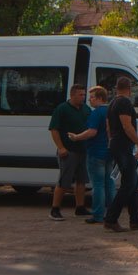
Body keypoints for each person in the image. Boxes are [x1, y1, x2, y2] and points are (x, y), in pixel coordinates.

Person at [103, 76, 138, 232]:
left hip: (117, 144)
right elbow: (127, 126)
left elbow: (108, 127)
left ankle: (135, 219)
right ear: (129, 89)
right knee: (129, 183)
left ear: (117, 87)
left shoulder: (112, 103)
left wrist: (111, 141)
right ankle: (111, 218)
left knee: (132, 181)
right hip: (123, 145)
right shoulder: (124, 103)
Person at [66, 85, 115, 224]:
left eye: (92, 97)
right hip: (109, 152)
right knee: (109, 184)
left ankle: (98, 214)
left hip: (96, 152)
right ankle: (112, 212)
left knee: (98, 185)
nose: (89, 100)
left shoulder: (96, 113)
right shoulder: (111, 111)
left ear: (99, 98)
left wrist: (76, 137)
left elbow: (92, 132)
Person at [47, 84, 91, 220]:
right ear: (72, 95)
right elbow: (54, 130)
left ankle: (80, 207)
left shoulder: (86, 109)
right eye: (80, 95)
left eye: (84, 95)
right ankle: (55, 209)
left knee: (81, 180)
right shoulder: (62, 109)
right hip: (68, 150)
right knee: (64, 181)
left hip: (83, 150)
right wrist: (61, 147)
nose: (83, 97)